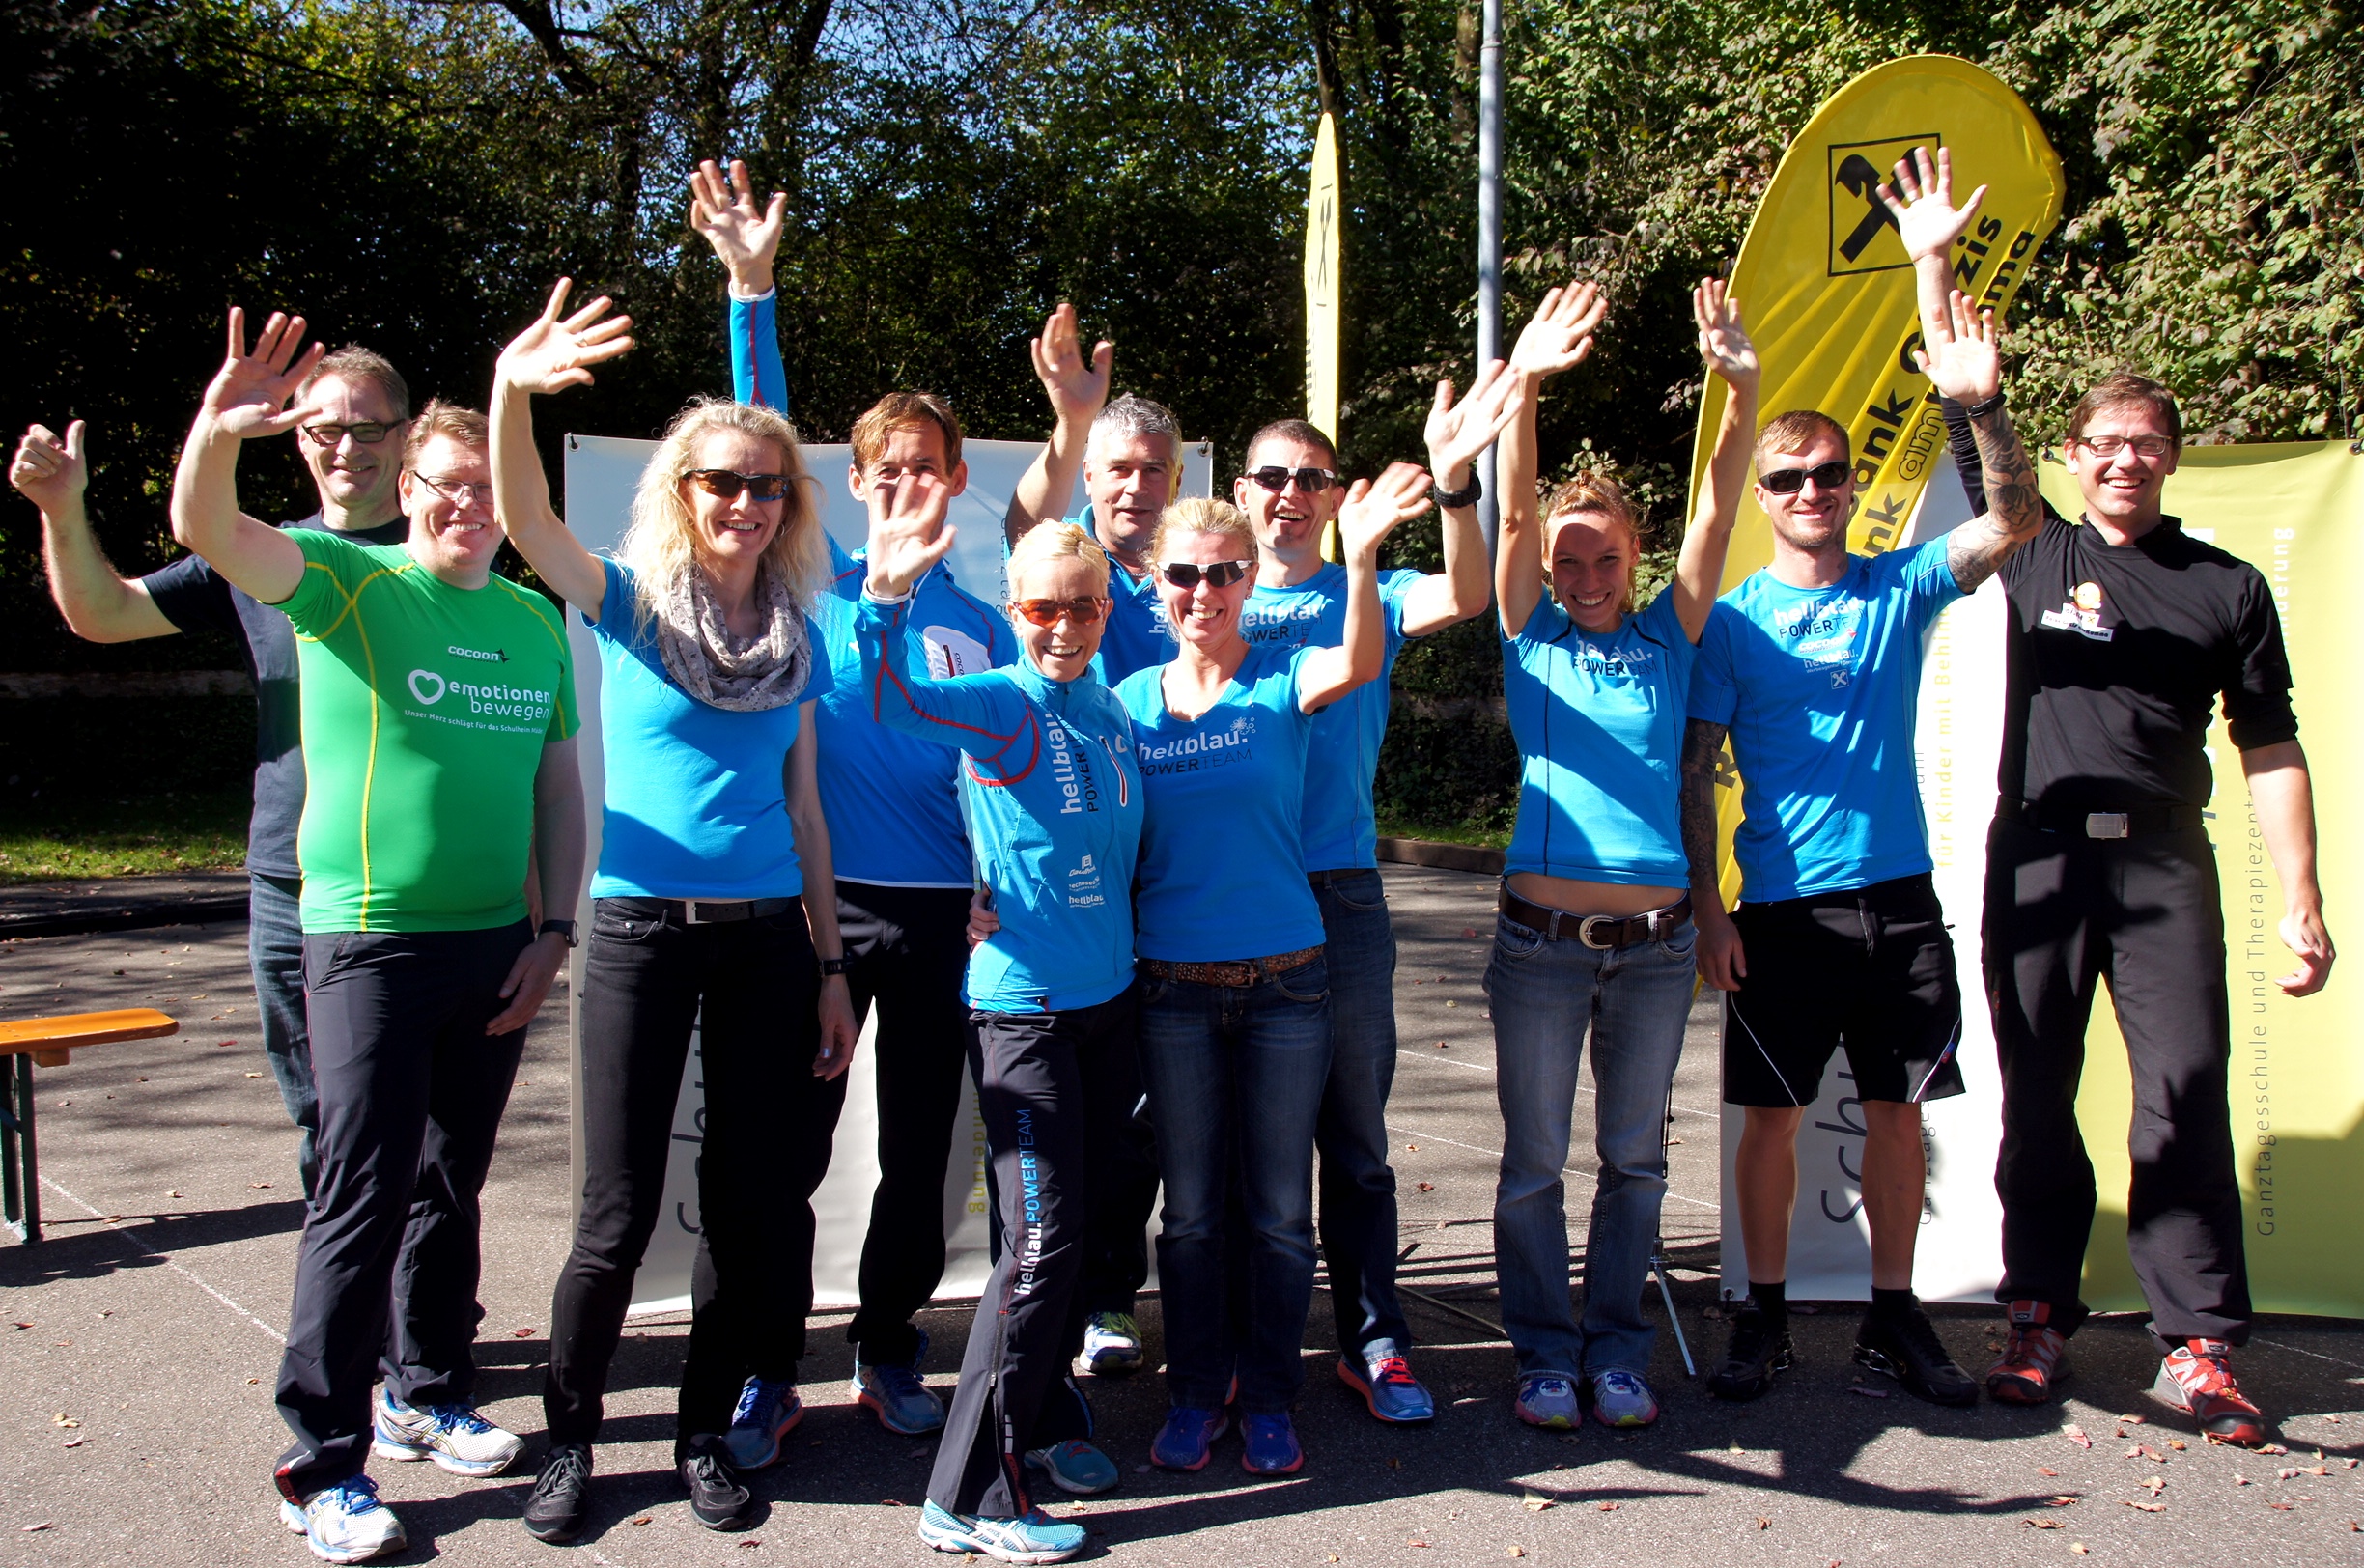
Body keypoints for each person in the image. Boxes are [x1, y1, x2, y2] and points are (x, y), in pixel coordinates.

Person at [693, 158, 1125, 1434]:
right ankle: (767, 1363)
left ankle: (888, 1346)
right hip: (820, 908)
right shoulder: (813, 576)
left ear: (954, 477)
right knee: (788, 1149)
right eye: (885, 468)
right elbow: (759, 424)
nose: (905, 485)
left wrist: (1074, 424)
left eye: (927, 467)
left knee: (918, 1156)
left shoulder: (989, 608)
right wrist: (752, 290)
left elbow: (1053, 511)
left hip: (950, 917)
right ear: (852, 480)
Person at [165, 309, 584, 1564]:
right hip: (366, 945)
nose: (468, 507)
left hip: (495, 944)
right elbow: (205, 529)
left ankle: (427, 1391)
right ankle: (321, 1463)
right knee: (361, 1192)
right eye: (445, 486)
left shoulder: (534, 622)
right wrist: (219, 429)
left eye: (488, 489)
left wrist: (554, 929)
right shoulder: (344, 583)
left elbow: (558, 791)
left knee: (450, 1184)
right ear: (408, 489)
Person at [486, 278, 861, 1538]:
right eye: (722, 482)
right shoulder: (629, 603)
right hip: (640, 935)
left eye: (769, 486)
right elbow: (525, 519)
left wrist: (829, 967)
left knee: (746, 1211)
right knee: (614, 1215)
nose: (747, 501)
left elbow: (806, 814)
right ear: (681, 491)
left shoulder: (799, 637)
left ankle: (705, 1431)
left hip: (768, 946)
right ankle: (572, 1440)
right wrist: (512, 388)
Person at [1677, 149, 2045, 1407]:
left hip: (1899, 901)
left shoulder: (1900, 585)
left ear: (1848, 487)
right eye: (1787, 479)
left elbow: (2014, 521)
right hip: (1780, 912)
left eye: (1829, 474)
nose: (1811, 492)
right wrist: (1710, 909)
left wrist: (1976, 400)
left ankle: (1895, 1319)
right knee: (1772, 1122)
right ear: (1766, 496)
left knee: (1900, 1115)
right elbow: (1696, 769)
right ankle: (1763, 1318)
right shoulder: (1732, 621)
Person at [1974, 371, 2334, 1443]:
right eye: (2104, 441)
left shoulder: (2227, 586)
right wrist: (1973, 385)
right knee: (2038, 1093)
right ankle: (2037, 1318)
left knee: (2181, 1095)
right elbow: (1974, 433)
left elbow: (2269, 742)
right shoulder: (2033, 548)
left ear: (2172, 456)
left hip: (2165, 863)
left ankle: (2198, 1344)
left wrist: (2304, 893)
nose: (2124, 458)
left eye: (2145, 441)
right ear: (2073, 455)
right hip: (2038, 858)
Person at [11, 346, 419, 1202]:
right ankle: (344, 1280)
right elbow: (103, 614)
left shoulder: (449, 552)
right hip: (293, 881)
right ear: (298, 438)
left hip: (428, 885)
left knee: (430, 1120)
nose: (346, 448)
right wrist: (62, 508)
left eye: (369, 429)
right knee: (325, 1120)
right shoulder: (256, 554)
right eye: (325, 430)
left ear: (406, 434)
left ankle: (419, 1285)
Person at [1486, 276, 1758, 1430]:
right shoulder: (1529, 633)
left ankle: (1616, 1348)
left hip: (1655, 951)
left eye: (1605, 561)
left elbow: (1721, 507)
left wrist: (1739, 389)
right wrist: (1527, 384)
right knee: (1537, 1163)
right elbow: (1511, 516)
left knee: (1636, 1162)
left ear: (1635, 557)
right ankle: (1545, 1351)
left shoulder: (1670, 635)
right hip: (1540, 949)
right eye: (1570, 563)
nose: (1587, 580)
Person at [1117, 475, 1429, 1477]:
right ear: (1156, 583)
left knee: (1281, 1213)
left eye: (1223, 574)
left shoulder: (1287, 676)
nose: (1202, 591)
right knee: (1193, 1215)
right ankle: (1196, 1390)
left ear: (1249, 580)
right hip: (1172, 991)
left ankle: (1269, 1397)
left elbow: (1365, 659)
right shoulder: (1126, 704)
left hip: (1289, 987)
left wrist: (1364, 556)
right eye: (1183, 573)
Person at [857, 489, 1146, 1564]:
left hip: (1107, 1005)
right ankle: (970, 1495)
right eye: (1040, 609)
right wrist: (884, 600)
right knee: (1040, 1247)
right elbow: (892, 700)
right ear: (1013, 611)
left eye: (1083, 606)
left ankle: (1041, 1419)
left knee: (1071, 1239)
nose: (1063, 626)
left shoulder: (1108, 708)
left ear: (1107, 607)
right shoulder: (1004, 702)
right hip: (1025, 1014)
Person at [1228, 368, 1520, 1423]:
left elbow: (1470, 594)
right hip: (1224, 893)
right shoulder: (1205, 593)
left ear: (1334, 495)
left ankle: (1373, 1339)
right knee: (1239, 1152)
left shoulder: (1375, 589)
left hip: (1340, 891)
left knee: (1353, 1141)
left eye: (1312, 478)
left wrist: (1453, 487)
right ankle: (1239, 1346)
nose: (1291, 494)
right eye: (1273, 477)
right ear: (1241, 490)